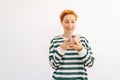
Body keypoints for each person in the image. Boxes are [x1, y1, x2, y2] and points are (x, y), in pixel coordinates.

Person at [49, 9, 95, 80]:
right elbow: (53, 65)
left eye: (73, 22)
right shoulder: (55, 41)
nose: (70, 25)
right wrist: (61, 49)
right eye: (66, 22)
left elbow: (90, 63)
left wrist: (80, 49)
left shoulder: (82, 40)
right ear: (61, 22)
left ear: (75, 23)